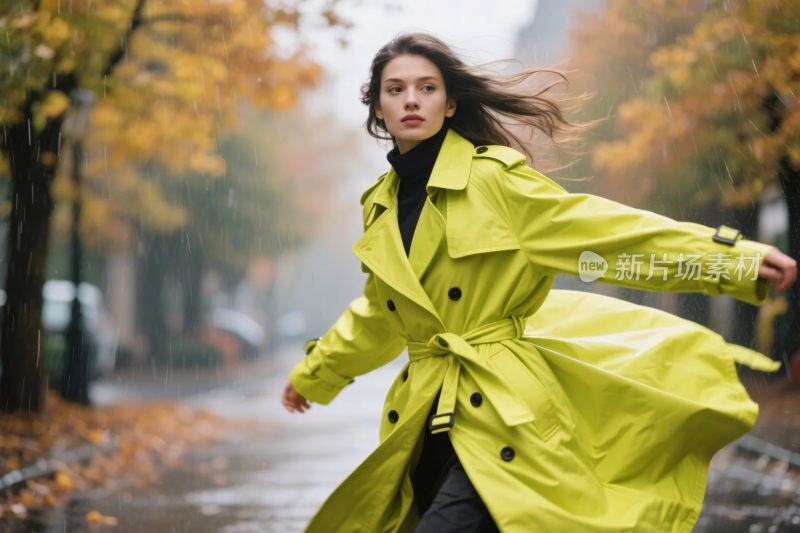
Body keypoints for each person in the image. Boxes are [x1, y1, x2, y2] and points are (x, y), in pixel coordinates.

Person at [281, 32, 798, 532]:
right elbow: (379, 312)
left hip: (502, 413)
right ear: (378, 109)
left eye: (427, 87)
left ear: (451, 103)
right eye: (395, 89)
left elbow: (607, 236)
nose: (411, 100)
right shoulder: (380, 206)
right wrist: (316, 373)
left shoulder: (494, 182)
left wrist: (732, 261)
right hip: (424, 415)